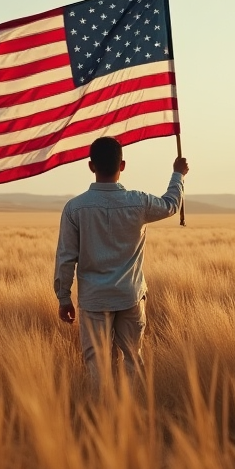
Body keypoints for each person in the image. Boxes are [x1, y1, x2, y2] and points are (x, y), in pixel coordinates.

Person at [53, 136, 189, 389]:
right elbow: (171, 205)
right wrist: (177, 175)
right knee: (132, 359)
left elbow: (66, 257)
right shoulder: (138, 202)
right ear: (122, 165)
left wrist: (63, 298)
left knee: (97, 364)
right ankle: (132, 414)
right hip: (130, 295)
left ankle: (102, 416)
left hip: (94, 300)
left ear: (91, 166)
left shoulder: (75, 208)